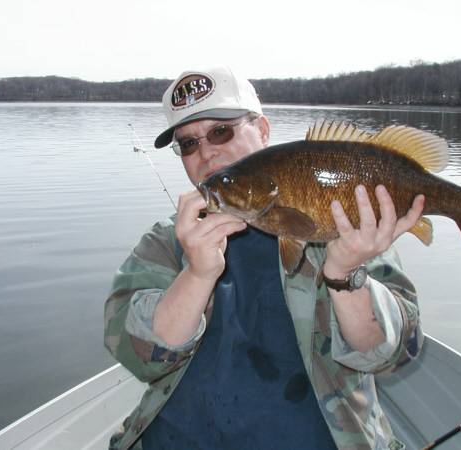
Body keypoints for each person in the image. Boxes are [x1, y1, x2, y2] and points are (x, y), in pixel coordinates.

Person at [104, 66, 425, 450]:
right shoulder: (165, 241)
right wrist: (197, 274)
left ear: (264, 130)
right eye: (188, 144)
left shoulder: (344, 227)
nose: (206, 153)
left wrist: (345, 275)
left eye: (221, 131)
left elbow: (396, 353)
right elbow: (137, 356)